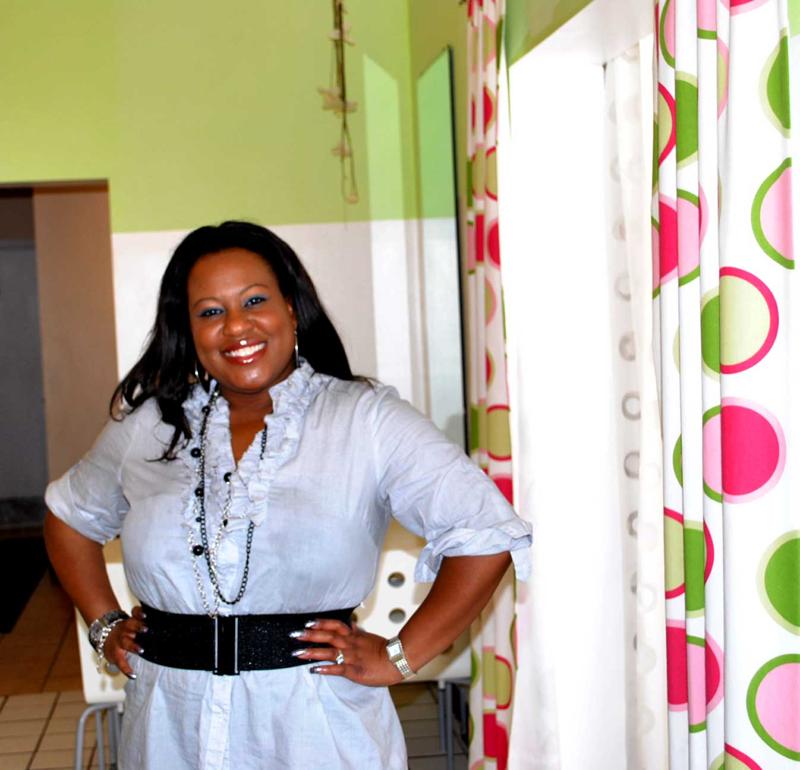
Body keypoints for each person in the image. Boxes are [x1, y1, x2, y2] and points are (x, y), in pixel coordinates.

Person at [43, 220, 531, 770]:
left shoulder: (364, 419)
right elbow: (68, 517)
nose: (236, 326)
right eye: (210, 311)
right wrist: (104, 624)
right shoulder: (149, 427)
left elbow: (485, 531)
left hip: (315, 731)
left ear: (292, 310)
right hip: (168, 729)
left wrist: (400, 656)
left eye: (255, 300)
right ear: (189, 330)